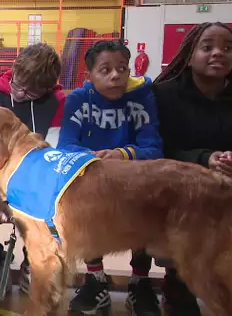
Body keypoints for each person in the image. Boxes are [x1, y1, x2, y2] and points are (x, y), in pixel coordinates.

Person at [153, 22, 232, 316]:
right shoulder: (165, 94)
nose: (218, 53)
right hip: (183, 170)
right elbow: (161, 147)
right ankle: (178, 285)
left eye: (227, 48)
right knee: (176, 208)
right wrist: (203, 158)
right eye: (207, 47)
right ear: (190, 53)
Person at [58, 40, 163, 316]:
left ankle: (140, 283)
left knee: (147, 206)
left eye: (122, 69)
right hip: (95, 181)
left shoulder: (143, 97)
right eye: (105, 70)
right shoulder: (77, 100)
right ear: (89, 76)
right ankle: (95, 280)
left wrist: (123, 154)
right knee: (85, 202)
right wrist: (93, 158)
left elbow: (154, 149)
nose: (115, 75)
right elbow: (65, 147)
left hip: (134, 181)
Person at [0, 42, 66, 298]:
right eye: (17, 85)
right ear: (13, 70)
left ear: (46, 88)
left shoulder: (59, 103)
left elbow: (50, 159)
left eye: (30, 93)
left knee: (57, 200)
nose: (19, 94)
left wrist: (11, 199)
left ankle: (35, 261)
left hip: (35, 182)